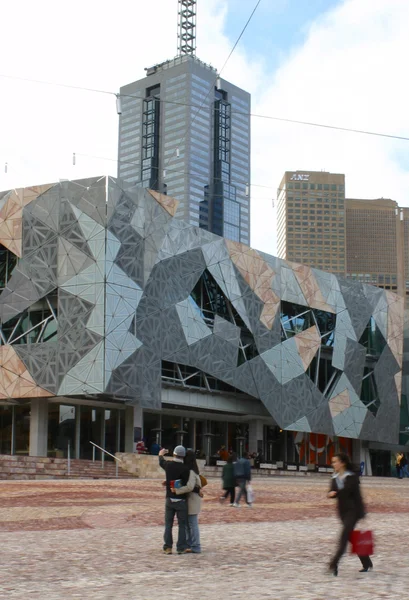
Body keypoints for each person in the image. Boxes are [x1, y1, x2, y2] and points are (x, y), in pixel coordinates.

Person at [328, 452, 373, 576]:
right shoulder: (334, 477)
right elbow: (331, 491)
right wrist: (330, 493)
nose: (333, 464)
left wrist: (362, 513)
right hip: (342, 512)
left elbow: (355, 495)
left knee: (343, 537)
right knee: (350, 537)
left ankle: (334, 563)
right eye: (333, 462)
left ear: (342, 463)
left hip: (353, 511)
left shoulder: (352, 477)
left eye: (335, 461)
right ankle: (366, 561)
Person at [159, 445, 190, 555]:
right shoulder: (186, 469)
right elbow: (185, 484)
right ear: (183, 456)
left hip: (169, 499)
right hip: (181, 500)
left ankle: (167, 547)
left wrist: (161, 454)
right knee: (182, 525)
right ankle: (181, 547)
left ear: (174, 454)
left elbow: (161, 462)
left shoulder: (169, 465)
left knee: (168, 524)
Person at [173, 449, 202, 553]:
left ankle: (196, 546)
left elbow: (190, 487)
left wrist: (177, 490)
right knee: (189, 524)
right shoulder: (194, 470)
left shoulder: (191, 471)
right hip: (192, 500)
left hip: (192, 500)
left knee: (192, 524)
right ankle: (190, 544)